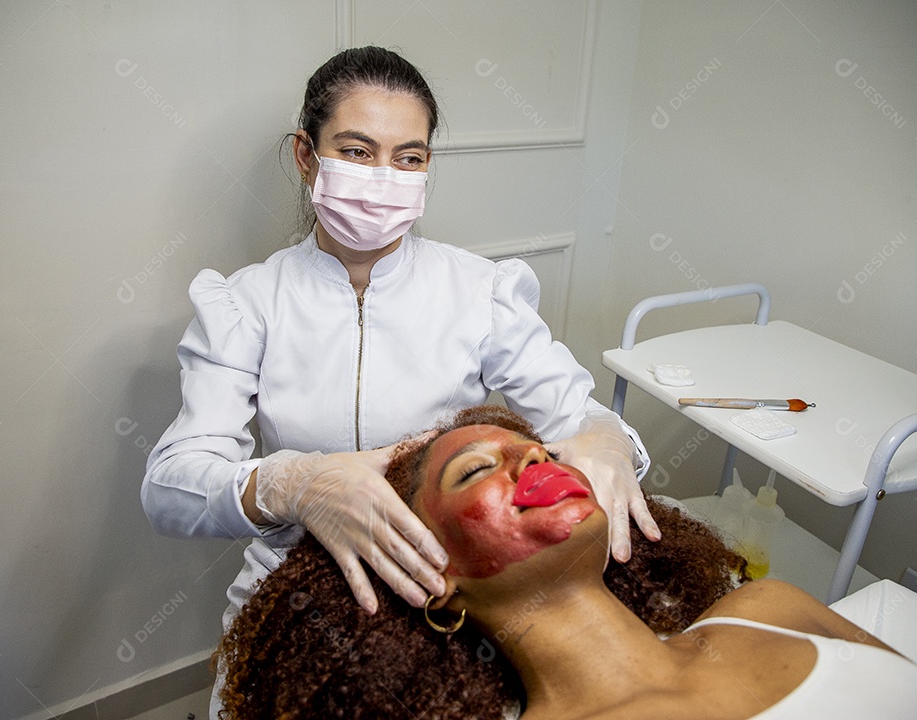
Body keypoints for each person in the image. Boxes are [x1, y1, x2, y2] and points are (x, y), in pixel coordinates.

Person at [142, 44, 659, 625]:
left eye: (408, 158)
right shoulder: (244, 304)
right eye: (357, 151)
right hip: (293, 588)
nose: (382, 178)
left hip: (444, 584)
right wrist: (298, 485)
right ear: (306, 156)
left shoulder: (481, 292)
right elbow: (170, 487)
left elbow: (580, 419)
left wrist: (607, 441)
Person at [213, 406, 917, 719]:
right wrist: (279, 481)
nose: (533, 457)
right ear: (438, 582)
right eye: (475, 472)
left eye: (539, 451)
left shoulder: (772, 608)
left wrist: (597, 427)